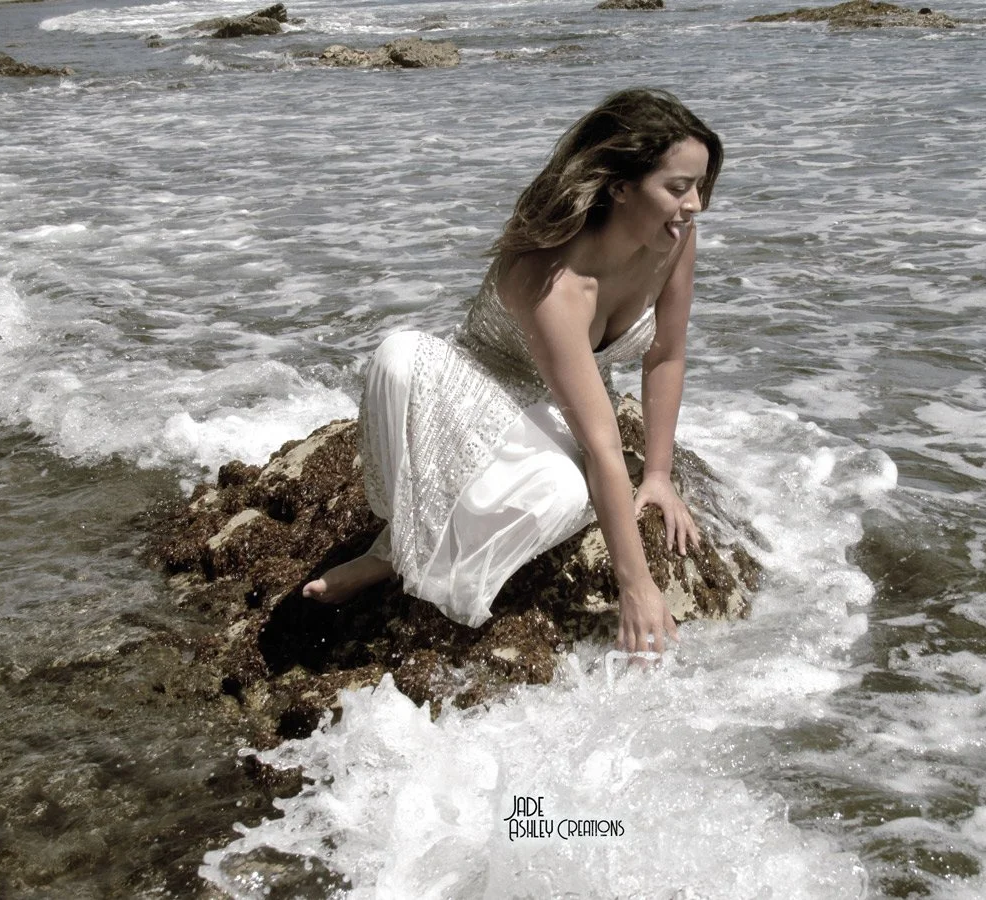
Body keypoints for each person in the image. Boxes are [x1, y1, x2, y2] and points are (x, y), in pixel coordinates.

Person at [303, 87, 723, 657]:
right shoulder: (550, 276)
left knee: (556, 495)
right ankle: (393, 550)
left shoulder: (674, 238)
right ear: (621, 186)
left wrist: (658, 475)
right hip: (477, 382)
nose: (695, 203)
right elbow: (602, 444)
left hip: (552, 404)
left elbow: (666, 354)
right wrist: (637, 584)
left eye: (699, 185)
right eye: (678, 187)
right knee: (399, 357)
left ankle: (401, 554)